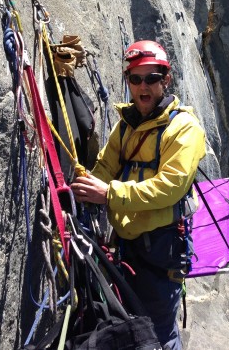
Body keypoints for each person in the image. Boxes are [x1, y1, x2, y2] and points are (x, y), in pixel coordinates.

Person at [71, 40, 206, 349]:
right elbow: (107, 164)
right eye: (135, 78)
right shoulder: (127, 125)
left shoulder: (184, 129)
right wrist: (84, 188)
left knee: (157, 334)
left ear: (166, 79)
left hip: (162, 249)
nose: (143, 86)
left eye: (151, 78)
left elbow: (169, 187)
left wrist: (108, 193)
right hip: (127, 246)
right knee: (132, 326)